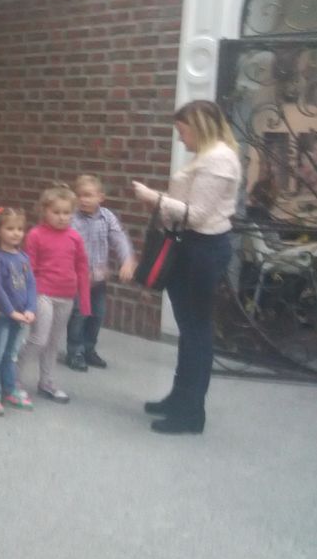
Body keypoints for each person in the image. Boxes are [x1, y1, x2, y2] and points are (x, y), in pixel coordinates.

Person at [133, 100, 241, 434]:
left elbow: (197, 214)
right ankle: (179, 399)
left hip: (203, 250)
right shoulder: (208, 156)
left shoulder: (219, 159)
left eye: (182, 131)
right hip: (192, 248)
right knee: (190, 328)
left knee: (196, 332)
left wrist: (154, 198)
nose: (180, 139)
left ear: (199, 126)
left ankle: (191, 413)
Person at [19, 184, 90, 406]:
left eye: (67, 212)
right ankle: (12, 376)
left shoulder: (75, 237)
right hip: (42, 293)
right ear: (44, 211)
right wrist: (26, 299)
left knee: (53, 342)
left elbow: (82, 268)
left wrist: (84, 301)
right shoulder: (35, 235)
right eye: (56, 212)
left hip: (66, 295)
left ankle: (47, 382)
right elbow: (29, 269)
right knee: (39, 338)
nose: (62, 217)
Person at [66, 175, 136, 371]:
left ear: (100, 197)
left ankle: (89, 348)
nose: (84, 200)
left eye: (89, 195)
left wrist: (127, 260)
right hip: (79, 279)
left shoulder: (107, 216)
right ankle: (75, 351)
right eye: (80, 195)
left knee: (97, 314)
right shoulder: (72, 219)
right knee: (79, 315)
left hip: (98, 280)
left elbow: (119, 238)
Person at [0, 207, 37, 416]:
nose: (16, 233)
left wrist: (30, 308)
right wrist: (10, 311)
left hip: (20, 316)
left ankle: (10, 388)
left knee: (11, 355)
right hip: (1, 316)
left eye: (20, 229)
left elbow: (31, 284)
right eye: (10, 228)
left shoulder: (23, 257)